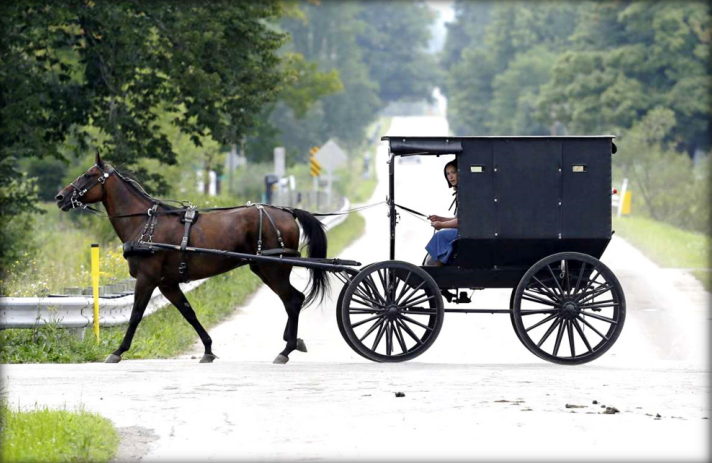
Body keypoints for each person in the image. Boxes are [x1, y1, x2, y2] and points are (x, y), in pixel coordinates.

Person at [425, 159, 458, 266]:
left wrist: (442, 225)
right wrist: (440, 219)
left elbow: (462, 221)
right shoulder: (461, 192)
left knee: (440, 235)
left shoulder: (466, 193)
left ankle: (436, 272)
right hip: (461, 231)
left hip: (466, 234)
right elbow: (457, 219)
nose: (451, 177)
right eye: (448, 174)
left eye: (453, 172)